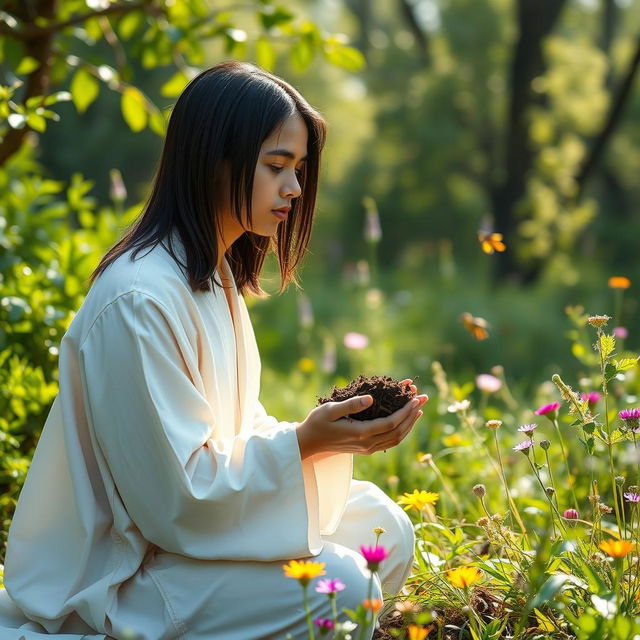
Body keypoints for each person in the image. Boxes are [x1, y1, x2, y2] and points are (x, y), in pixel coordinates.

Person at [0, 61, 427, 640]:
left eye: (297, 169)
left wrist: (326, 438)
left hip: (184, 542)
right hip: (127, 570)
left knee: (384, 528)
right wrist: (304, 441)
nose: (295, 189)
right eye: (276, 167)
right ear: (213, 161)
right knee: (344, 591)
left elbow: (232, 433)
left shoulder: (210, 276)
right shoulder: (138, 298)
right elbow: (177, 498)